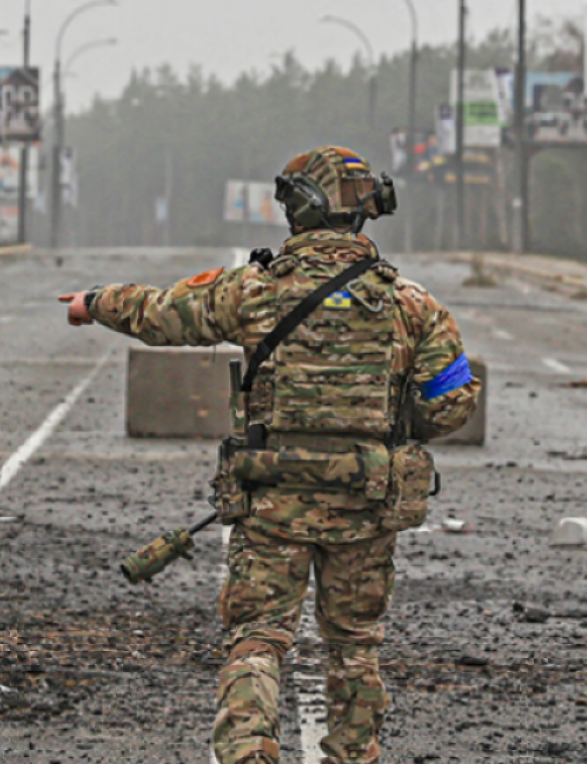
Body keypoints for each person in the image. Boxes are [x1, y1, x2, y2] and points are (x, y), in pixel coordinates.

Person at [59, 146, 481, 764]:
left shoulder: (254, 291)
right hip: (365, 505)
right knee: (355, 646)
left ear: (297, 208)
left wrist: (93, 303)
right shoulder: (412, 305)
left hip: (271, 502)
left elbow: (163, 314)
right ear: (366, 212)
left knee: (257, 639)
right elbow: (453, 403)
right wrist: (386, 427)